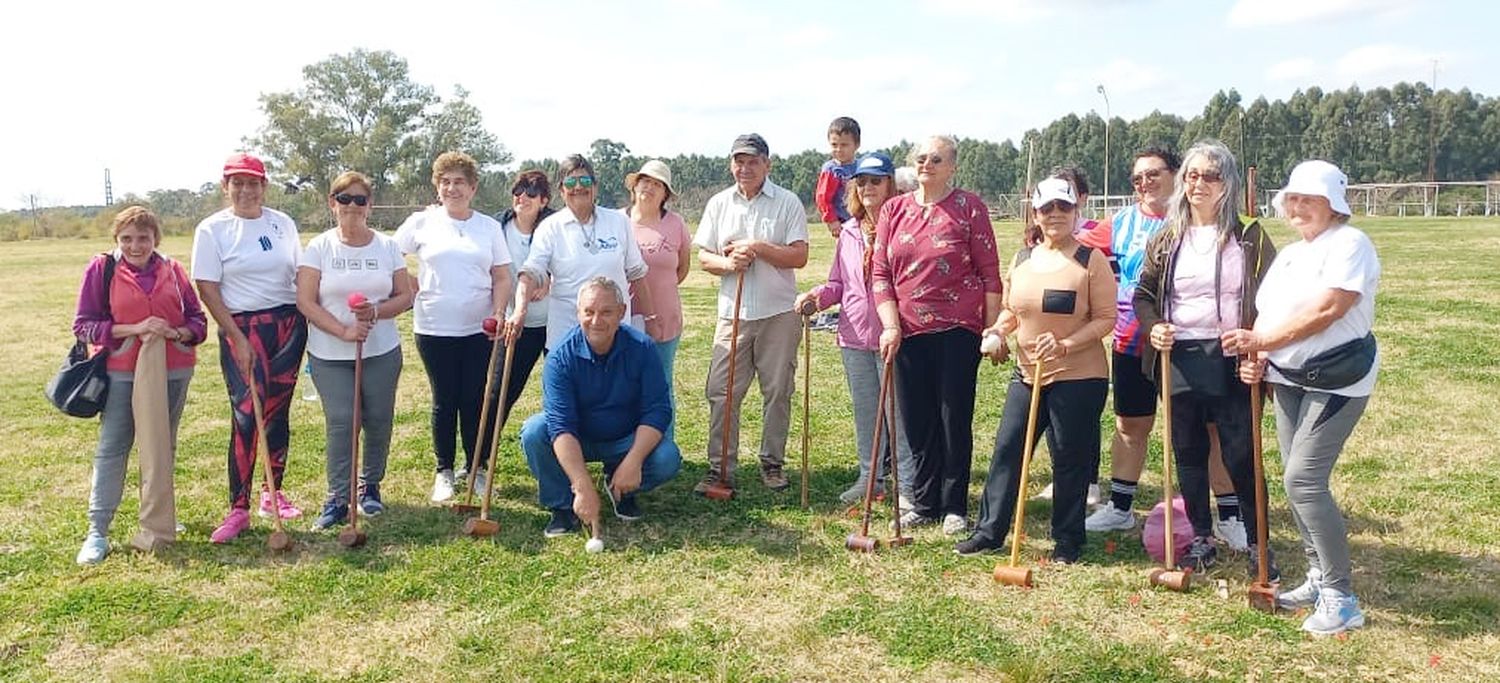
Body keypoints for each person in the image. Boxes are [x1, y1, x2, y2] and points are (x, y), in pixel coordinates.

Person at [1228, 159, 1380, 636]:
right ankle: (1317, 575)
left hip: (1338, 379)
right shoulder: (1292, 254)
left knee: (1304, 480)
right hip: (1290, 378)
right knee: (1297, 481)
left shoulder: (1351, 244)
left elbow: (1329, 309)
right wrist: (1257, 355)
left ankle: (1341, 596)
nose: (1298, 207)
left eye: (1309, 200)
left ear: (1333, 205)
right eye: (1292, 199)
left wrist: (1263, 344)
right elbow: (1264, 313)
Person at [1084, 146, 1249, 551]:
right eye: (1137, 178)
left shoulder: (1232, 235)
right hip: (1140, 345)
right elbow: (1082, 253)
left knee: (1215, 435)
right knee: (1140, 428)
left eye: (1154, 174)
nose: (1145, 183)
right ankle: (1126, 506)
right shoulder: (1130, 226)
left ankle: (1230, 515)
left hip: (1211, 352)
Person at [1133, 139, 1277, 573]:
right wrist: (1153, 325)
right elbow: (1142, 295)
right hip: (1177, 357)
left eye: (1209, 175)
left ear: (1226, 183)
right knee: (1188, 450)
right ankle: (1199, 537)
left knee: (1240, 454)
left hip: (1231, 358)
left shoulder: (1248, 235)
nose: (1198, 183)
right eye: (1192, 175)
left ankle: (1258, 543)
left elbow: (1274, 297)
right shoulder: (1167, 237)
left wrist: (1258, 344)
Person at [955, 179, 1114, 561]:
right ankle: (989, 532)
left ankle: (1068, 540)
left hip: (1079, 375)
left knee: (1070, 457)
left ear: (1076, 211)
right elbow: (1012, 309)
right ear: (1036, 214)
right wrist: (998, 329)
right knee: (1007, 450)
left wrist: (1065, 344)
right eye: (1047, 209)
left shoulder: (1090, 261)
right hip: (1028, 373)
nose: (1055, 214)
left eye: (1064, 207)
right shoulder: (1023, 259)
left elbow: (1106, 319)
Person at [873, 135, 1003, 535]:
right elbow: (880, 273)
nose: (927, 164)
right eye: (921, 158)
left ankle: (953, 505)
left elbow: (989, 273)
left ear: (952, 167)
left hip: (957, 331)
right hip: (908, 331)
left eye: (936, 158)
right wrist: (891, 324)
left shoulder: (969, 207)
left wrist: (992, 328)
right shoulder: (893, 209)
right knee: (917, 420)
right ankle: (926, 502)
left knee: (953, 418)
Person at [73, 207, 207, 564]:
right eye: (127, 238)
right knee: (114, 448)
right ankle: (97, 532)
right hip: (122, 372)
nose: (136, 245)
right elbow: (83, 326)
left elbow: (198, 322)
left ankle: (160, 520)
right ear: (117, 240)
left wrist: (175, 332)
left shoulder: (174, 270)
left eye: (143, 238)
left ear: (155, 239)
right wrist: (135, 329)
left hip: (174, 369)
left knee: (163, 446)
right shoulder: (102, 269)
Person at [192, 153, 307, 544]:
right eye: (237, 182)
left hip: (288, 325)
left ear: (264, 186)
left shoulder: (282, 223)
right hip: (242, 326)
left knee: (276, 412)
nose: (245, 190)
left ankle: (272, 493)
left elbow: (298, 274)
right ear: (226, 187)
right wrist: (236, 338)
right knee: (246, 415)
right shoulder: (212, 229)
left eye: (253, 182)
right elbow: (207, 287)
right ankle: (237, 507)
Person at [296, 171, 414, 530]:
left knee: (378, 418)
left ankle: (369, 486)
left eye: (360, 200)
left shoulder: (387, 246)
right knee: (343, 420)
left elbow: (406, 295)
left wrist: (375, 312)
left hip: (381, 351)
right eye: (344, 199)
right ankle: (337, 497)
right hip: (330, 353)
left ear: (370, 205)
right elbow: (305, 300)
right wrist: (343, 330)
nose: (352, 206)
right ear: (332, 204)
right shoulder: (319, 247)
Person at [795, 152, 915, 506]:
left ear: (890, 184)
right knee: (866, 413)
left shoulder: (904, 227)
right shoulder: (848, 231)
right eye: (861, 181)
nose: (867, 187)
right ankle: (870, 477)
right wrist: (818, 296)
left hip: (894, 336)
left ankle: (907, 486)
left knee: (898, 417)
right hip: (853, 336)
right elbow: (839, 282)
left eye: (876, 180)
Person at [693, 133, 810, 493]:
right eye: (738, 161)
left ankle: (772, 463)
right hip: (734, 313)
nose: (744, 168)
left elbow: (799, 256)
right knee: (722, 391)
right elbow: (703, 257)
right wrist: (729, 262)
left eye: (753, 161)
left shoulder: (787, 202)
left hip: (778, 313)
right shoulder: (718, 203)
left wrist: (758, 248)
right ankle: (720, 468)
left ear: (767, 165)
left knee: (777, 390)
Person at [395, 151, 514, 503]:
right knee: (444, 399)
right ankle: (443, 471)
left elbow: (502, 275)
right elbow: (391, 258)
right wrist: (413, 289)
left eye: (459, 182)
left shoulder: (488, 228)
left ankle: (475, 467)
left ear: (473, 187)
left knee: (474, 398)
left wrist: (498, 313)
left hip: (480, 329)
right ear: (437, 187)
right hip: (433, 326)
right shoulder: (421, 223)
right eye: (445, 182)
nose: (452, 188)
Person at [519, 277, 681, 537]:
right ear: (578, 313)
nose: (596, 321)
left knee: (667, 458)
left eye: (606, 312)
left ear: (622, 312)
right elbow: (561, 427)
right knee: (535, 431)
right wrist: (582, 486)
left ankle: (620, 486)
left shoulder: (643, 348)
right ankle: (563, 505)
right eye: (589, 312)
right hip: (579, 438)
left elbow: (658, 410)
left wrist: (633, 461)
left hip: (624, 439)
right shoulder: (560, 357)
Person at [508, 155, 652, 352]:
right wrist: (520, 310)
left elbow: (636, 274)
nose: (578, 187)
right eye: (570, 182)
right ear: (561, 190)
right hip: (566, 337)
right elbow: (532, 271)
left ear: (595, 187)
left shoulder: (619, 222)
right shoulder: (550, 227)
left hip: (615, 337)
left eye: (585, 181)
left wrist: (649, 318)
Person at [624, 159, 691, 422]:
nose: (649, 188)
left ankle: (663, 451)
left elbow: (682, 269)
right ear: (634, 187)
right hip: (623, 319)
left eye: (657, 184)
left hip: (665, 319)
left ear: (665, 194)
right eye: (644, 181)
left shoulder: (676, 224)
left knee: (660, 385)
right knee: (624, 386)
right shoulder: (617, 221)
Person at [491, 170, 557, 425]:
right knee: (500, 391)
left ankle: (560, 451)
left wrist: (552, 281)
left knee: (558, 391)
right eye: (518, 191)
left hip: (554, 323)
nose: (523, 197)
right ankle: (481, 455)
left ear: (543, 200)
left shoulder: (556, 227)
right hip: (515, 323)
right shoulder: (498, 227)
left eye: (531, 193)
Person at [815, 116, 861, 239]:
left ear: (856, 145)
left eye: (844, 145)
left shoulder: (862, 166)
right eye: (834, 145)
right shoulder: (831, 170)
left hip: (862, 220)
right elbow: (823, 198)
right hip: (842, 223)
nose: (839, 150)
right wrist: (831, 220)